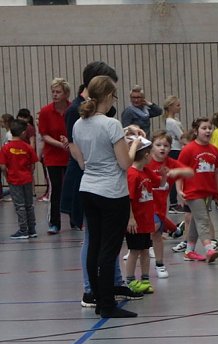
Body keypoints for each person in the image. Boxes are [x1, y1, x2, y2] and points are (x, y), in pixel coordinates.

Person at [60, 61, 141, 308]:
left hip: (88, 188)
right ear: (107, 96)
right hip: (110, 191)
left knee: (95, 244)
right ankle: (106, 302)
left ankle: (95, 294)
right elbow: (126, 163)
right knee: (109, 248)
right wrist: (135, 142)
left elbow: (83, 161)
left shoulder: (79, 123)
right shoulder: (110, 124)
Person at [147, 130, 193, 278]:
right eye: (158, 145)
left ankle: (159, 264)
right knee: (153, 230)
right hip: (143, 206)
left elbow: (190, 172)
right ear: (152, 146)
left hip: (160, 207)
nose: (162, 148)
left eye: (166, 145)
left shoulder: (171, 163)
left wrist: (174, 173)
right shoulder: (146, 161)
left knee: (157, 235)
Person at [177, 117, 218, 263]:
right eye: (204, 128)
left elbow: (216, 172)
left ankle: (189, 251)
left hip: (207, 192)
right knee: (203, 219)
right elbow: (179, 171)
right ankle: (209, 248)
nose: (208, 130)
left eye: (210, 128)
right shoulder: (188, 150)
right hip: (193, 192)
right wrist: (179, 190)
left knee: (196, 222)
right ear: (196, 131)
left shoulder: (214, 150)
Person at [38, 78, 71, 234]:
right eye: (53, 92)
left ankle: (75, 220)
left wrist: (69, 144)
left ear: (66, 94)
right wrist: (60, 144)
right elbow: (44, 135)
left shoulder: (73, 109)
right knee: (55, 189)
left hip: (71, 156)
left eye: (58, 92)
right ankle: (54, 223)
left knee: (73, 188)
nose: (55, 95)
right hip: (52, 157)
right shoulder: (45, 111)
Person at [124, 136, 156, 294]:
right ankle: (129, 280)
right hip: (136, 221)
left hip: (146, 220)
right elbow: (128, 198)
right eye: (150, 153)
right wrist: (130, 218)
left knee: (145, 250)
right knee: (134, 251)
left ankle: (145, 278)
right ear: (145, 155)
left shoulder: (145, 172)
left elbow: (158, 182)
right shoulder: (132, 174)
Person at [0, 119, 39, 239]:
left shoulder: (5, 148)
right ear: (23, 133)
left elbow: (3, 166)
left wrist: (8, 176)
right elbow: (33, 165)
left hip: (14, 180)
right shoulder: (28, 147)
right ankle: (32, 229)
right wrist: (28, 173)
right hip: (27, 179)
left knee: (19, 205)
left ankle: (23, 230)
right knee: (29, 205)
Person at [163, 95, 184, 212]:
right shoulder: (171, 122)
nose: (180, 107)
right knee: (175, 176)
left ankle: (174, 202)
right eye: (177, 105)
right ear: (170, 107)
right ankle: (173, 203)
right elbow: (181, 136)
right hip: (175, 150)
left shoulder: (174, 120)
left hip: (177, 149)